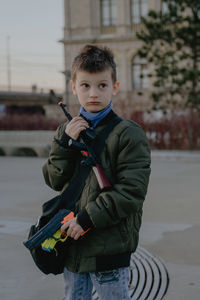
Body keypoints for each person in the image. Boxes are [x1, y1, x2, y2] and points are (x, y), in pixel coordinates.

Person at [42, 44, 151, 300]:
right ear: (73, 88)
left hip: (108, 250)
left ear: (114, 86)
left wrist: (86, 219)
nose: (93, 93)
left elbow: (131, 192)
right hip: (71, 247)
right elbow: (54, 179)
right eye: (85, 86)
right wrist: (64, 144)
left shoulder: (128, 134)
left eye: (102, 85)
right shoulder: (65, 131)